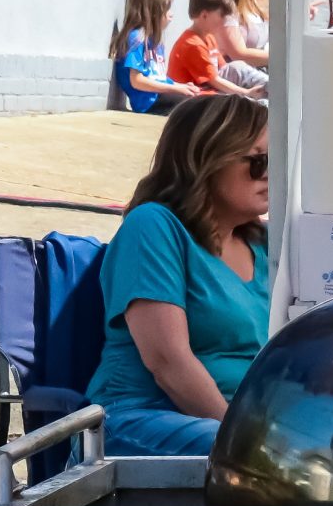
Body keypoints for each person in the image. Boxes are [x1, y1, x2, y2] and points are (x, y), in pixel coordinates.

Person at [87, 95, 273, 456]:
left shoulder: (264, 242)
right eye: (257, 161)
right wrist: (252, 445)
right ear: (205, 160)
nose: (270, 172)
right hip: (145, 421)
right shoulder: (154, 227)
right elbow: (169, 363)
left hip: (239, 424)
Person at [109, 0, 205, 115]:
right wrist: (176, 90)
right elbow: (137, 81)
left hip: (160, 97)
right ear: (153, 12)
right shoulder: (136, 39)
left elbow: (158, 78)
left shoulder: (155, 41)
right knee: (194, 108)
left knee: (203, 101)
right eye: (167, 10)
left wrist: (181, 86)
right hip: (149, 103)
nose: (171, 14)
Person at [166, 0, 260, 101]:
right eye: (222, 16)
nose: (225, 21)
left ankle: (268, 86)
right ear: (204, 15)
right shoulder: (192, 44)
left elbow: (226, 70)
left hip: (210, 91)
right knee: (245, 102)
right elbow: (214, 80)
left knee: (237, 67)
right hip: (192, 98)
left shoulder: (209, 37)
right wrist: (246, 92)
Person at [213, 0, 272, 93]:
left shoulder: (257, 3)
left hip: (253, 76)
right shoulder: (224, 10)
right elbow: (239, 54)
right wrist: (281, 57)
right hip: (228, 79)